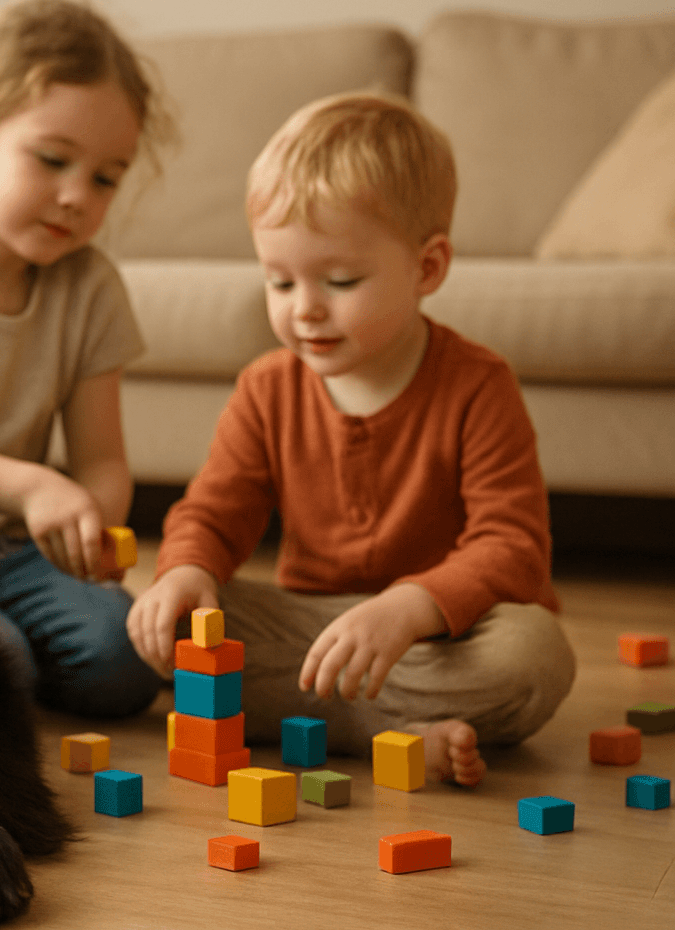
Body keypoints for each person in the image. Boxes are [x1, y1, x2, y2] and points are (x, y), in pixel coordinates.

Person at [126, 92, 575, 784]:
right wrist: (186, 570)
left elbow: (512, 546)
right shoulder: (266, 388)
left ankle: (323, 719)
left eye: (339, 280)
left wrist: (408, 609)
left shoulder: (480, 385)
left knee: (535, 657)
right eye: (278, 281)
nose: (303, 308)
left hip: (441, 635)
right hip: (315, 628)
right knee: (156, 620)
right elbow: (214, 513)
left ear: (427, 268)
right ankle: (389, 733)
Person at [0, 0, 172, 718]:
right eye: (53, 159)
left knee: (126, 661)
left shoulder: (90, 288)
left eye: (105, 177)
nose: (74, 197)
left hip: (19, 553)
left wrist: (89, 518)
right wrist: (30, 487)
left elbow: (102, 459)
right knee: (3, 665)